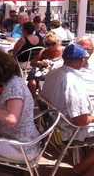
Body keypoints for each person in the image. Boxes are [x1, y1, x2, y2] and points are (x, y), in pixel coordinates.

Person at [42, 44, 94, 176]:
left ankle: (81, 169)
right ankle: (78, 170)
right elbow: (81, 120)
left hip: (53, 126)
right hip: (67, 131)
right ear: (81, 60)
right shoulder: (73, 81)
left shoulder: (53, 73)